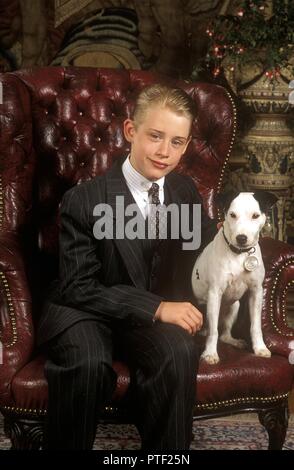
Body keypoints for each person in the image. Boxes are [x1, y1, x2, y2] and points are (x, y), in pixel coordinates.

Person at [37, 83, 217, 450]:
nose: (165, 152)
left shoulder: (184, 192)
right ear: (131, 132)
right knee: (86, 364)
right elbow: (78, 287)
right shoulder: (85, 199)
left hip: (147, 317)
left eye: (178, 142)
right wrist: (157, 307)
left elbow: (207, 248)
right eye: (155, 136)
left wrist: (240, 238)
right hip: (84, 310)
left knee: (179, 351)